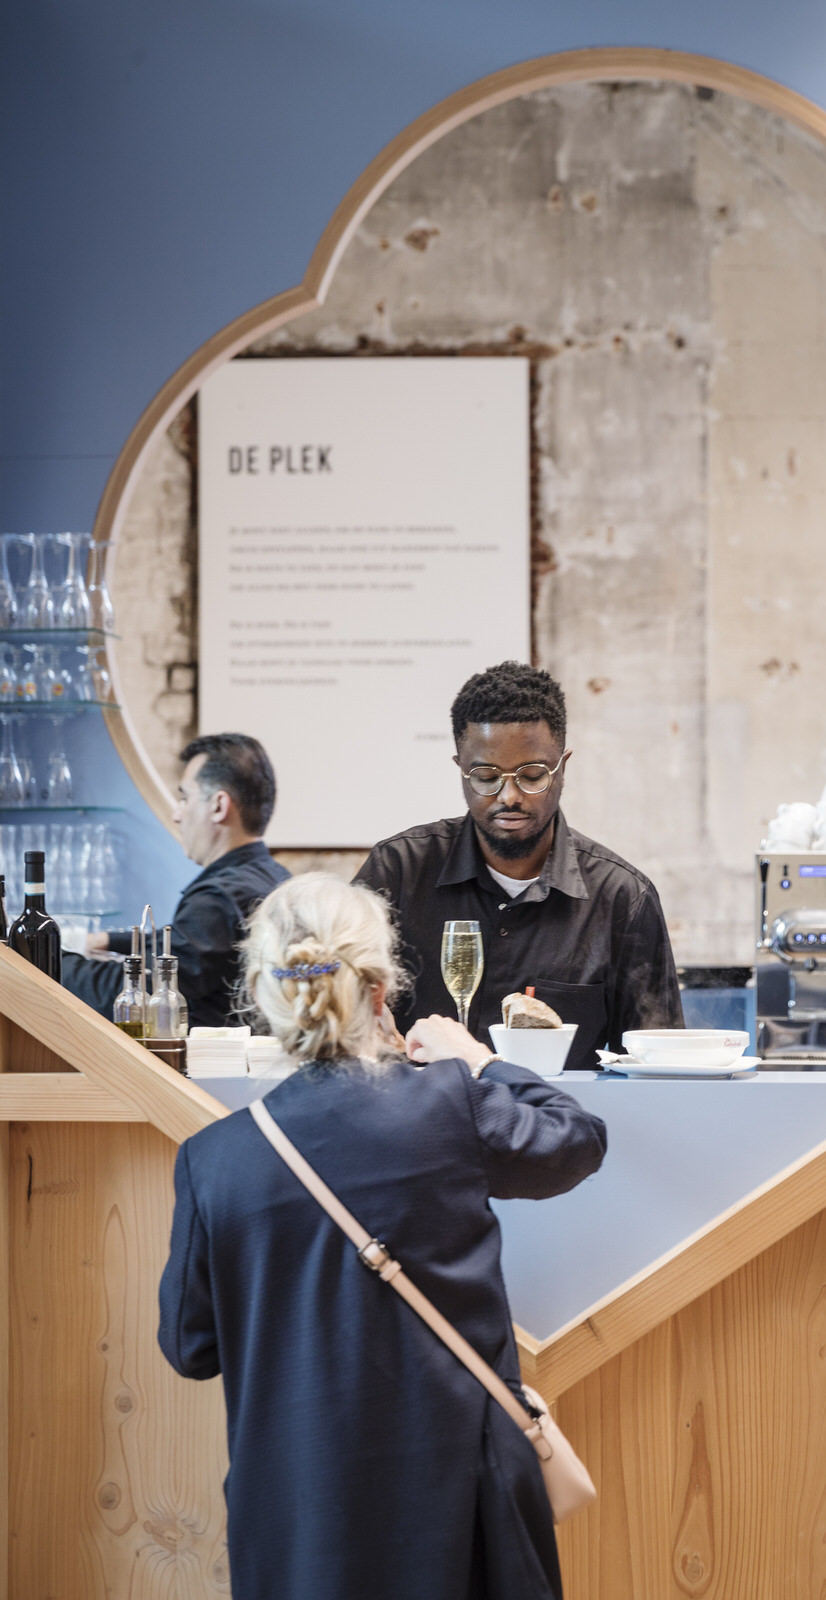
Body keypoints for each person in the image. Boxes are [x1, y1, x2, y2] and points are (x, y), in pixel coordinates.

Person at [158, 873, 606, 1600]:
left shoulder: (215, 1160)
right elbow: (575, 1141)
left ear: (267, 998)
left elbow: (190, 1347)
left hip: (301, 1522)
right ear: (379, 989)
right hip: (461, 1504)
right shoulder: (449, 1105)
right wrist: (476, 1057)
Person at [356, 660, 684, 1069]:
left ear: (562, 767)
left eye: (531, 775)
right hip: (423, 1127)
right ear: (460, 768)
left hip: (554, 1127)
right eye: (485, 775)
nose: (508, 796)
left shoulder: (620, 898)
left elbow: (658, 1063)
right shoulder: (398, 871)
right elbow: (327, 1001)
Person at [63, 732, 289, 1027]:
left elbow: (137, 993)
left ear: (219, 806)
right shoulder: (272, 876)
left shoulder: (220, 898)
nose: (176, 814)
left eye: (184, 798)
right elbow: (186, 945)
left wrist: (44, 955)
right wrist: (103, 940)